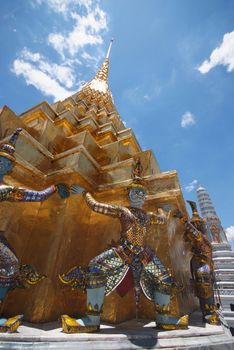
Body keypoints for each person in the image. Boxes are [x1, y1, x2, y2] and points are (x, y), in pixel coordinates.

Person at [60, 162, 188, 333]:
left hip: (144, 253)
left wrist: (162, 210)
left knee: (164, 278)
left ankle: (164, 318)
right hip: (124, 251)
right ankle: (92, 318)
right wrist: (85, 194)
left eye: (142, 193)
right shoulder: (122, 211)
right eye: (135, 192)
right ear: (129, 194)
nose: (139, 195)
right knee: (94, 268)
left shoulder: (147, 216)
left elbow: (162, 220)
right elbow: (96, 206)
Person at [0, 128, 69, 332]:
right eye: (0, 162)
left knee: (10, 266)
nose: (3, 166)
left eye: (6, 164)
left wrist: (54, 188)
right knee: (10, 265)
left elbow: (36, 197)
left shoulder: (6, 190)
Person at [173, 201, 220, 325]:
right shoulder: (195, 241)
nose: (196, 226)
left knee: (204, 284)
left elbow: (193, 232)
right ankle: (205, 309)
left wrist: (182, 218)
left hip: (203, 266)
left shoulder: (201, 237)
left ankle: (210, 313)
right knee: (197, 286)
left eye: (196, 224)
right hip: (196, 263)